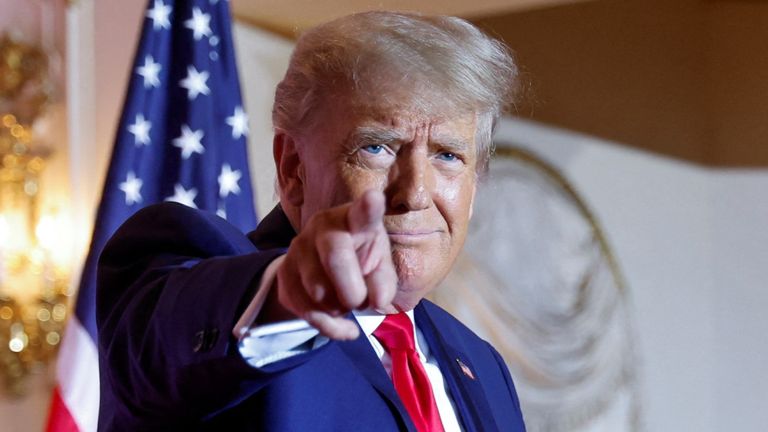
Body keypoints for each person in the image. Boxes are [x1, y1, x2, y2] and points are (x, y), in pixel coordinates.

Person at [96, 10, 526, 432]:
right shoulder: (216, 279)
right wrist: (285, 301)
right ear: (292, 168)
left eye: (447, 155)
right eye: (377, 147)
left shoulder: (483, 365)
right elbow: (160, 348)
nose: (414, 194)